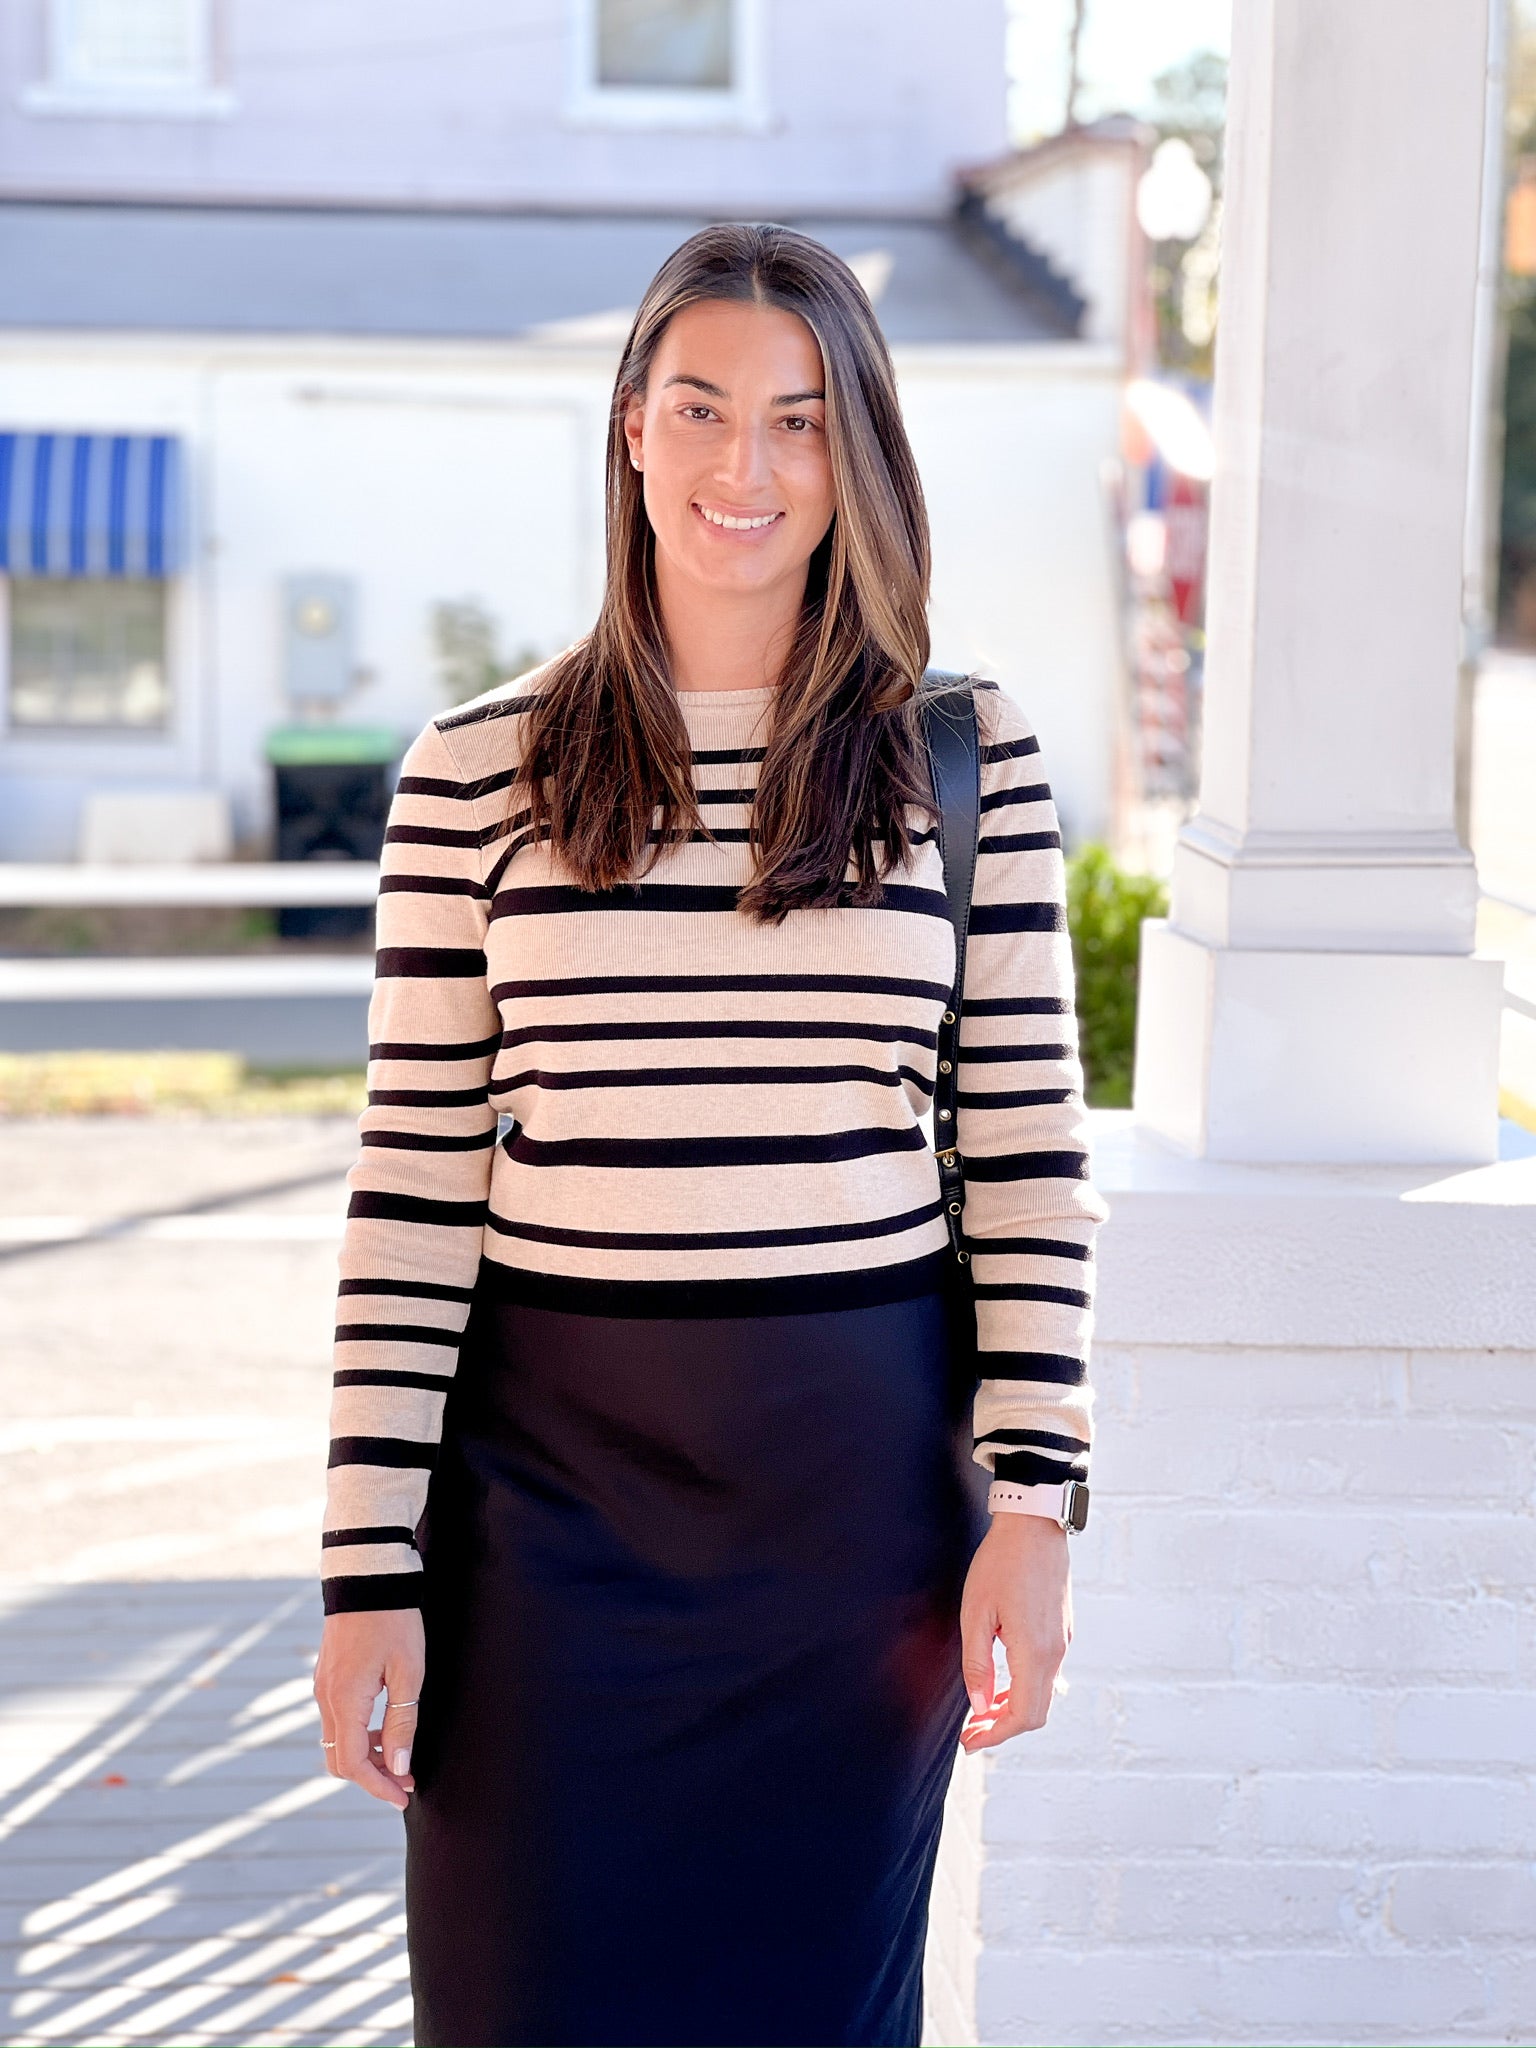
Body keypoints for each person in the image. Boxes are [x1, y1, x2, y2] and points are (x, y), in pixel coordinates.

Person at [313, 221, 1106, 2048]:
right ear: (631, 431)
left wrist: (1039, 1504)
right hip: (541, 1536)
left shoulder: (962, 755)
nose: (746, 469)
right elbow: (418, 1187)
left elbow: (1023, 1152)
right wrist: (369, 1566)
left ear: (861, 457)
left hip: (851, 1535)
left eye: (801, 420)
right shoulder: (476, 771)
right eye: (702, 410)